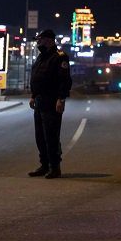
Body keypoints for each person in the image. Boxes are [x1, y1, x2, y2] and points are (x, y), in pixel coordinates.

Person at [28, 29, 72, 179]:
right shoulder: (41, 57)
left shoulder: (59, 57)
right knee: (39, 136)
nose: (38, 42)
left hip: (52, 102)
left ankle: (55, 167)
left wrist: (61, 99)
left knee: (51, 136)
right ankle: (44, 165)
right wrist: (33, 96)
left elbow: (64, 80)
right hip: (39, 101)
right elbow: (37, 77)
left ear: (48, 40)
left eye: (40, 39)